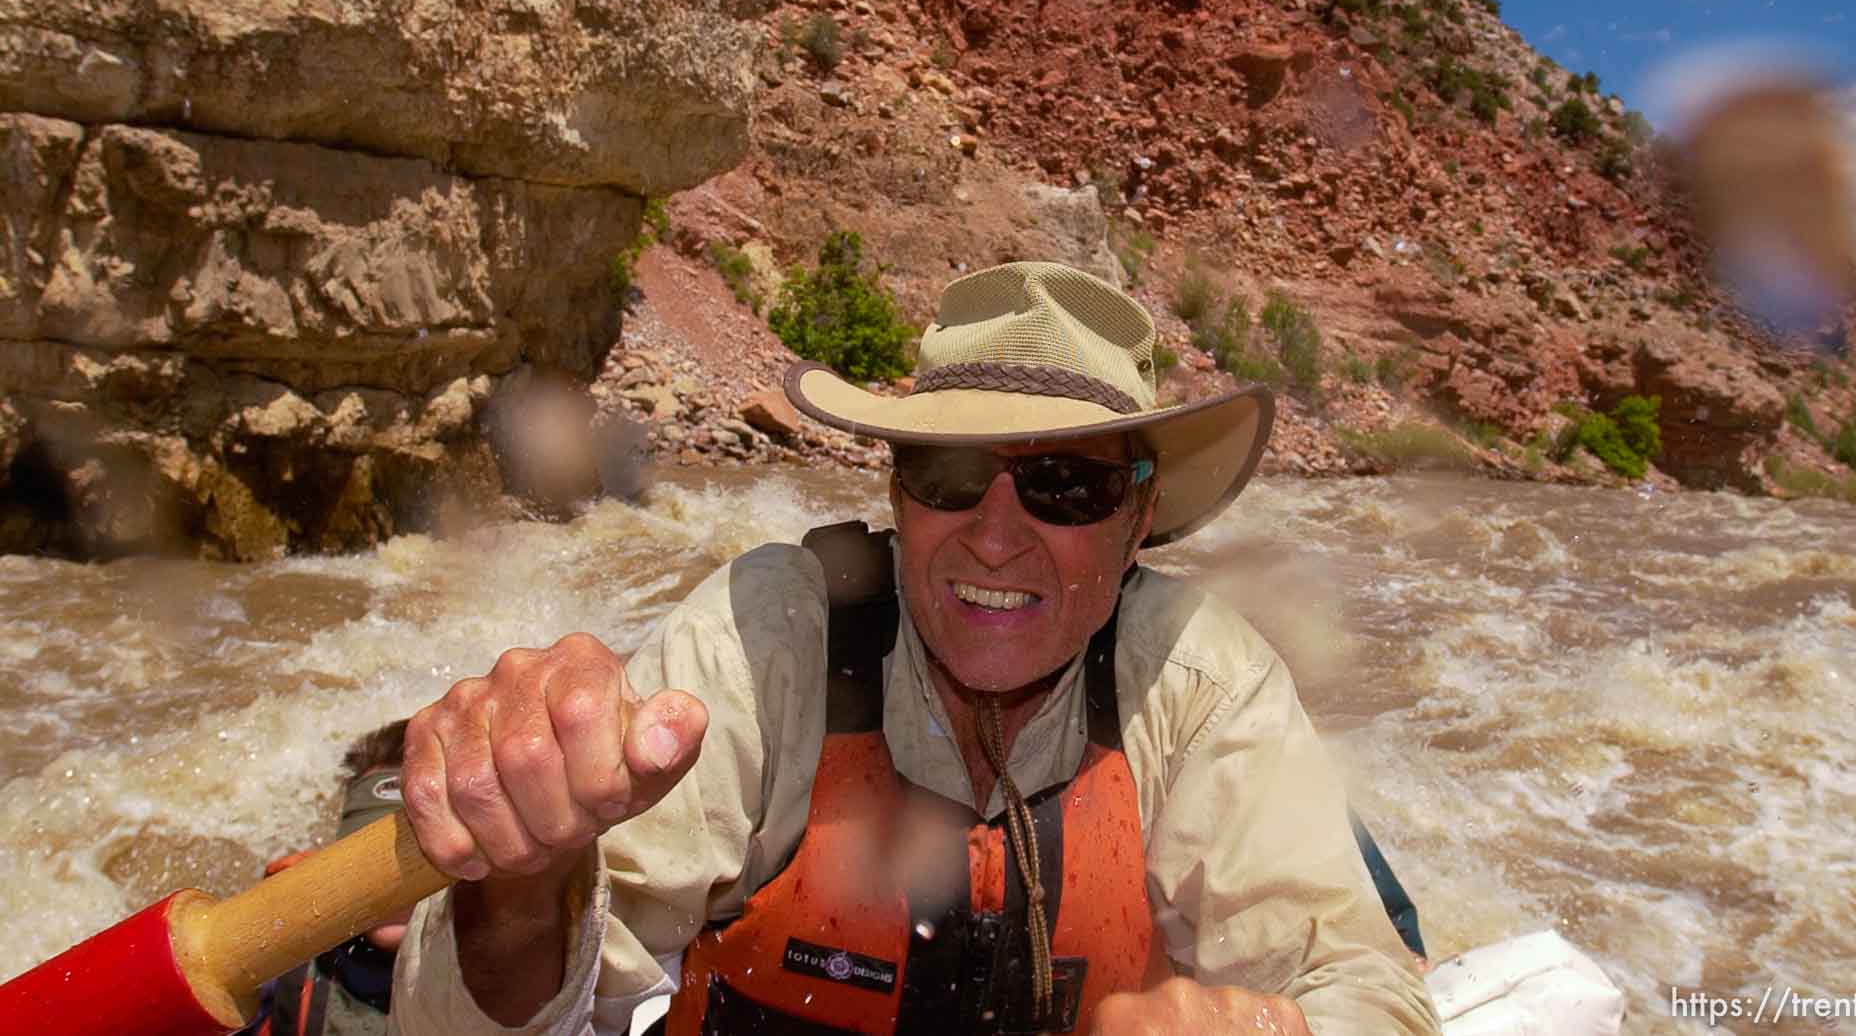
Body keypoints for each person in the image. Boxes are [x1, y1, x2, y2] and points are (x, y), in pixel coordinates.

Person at [389, 261, 1440, 1035]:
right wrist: (519, 892)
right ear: (896, 488)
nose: (992, 534)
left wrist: (1277, 1032)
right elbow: (496, 1009)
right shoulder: (771, 635)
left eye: (1062, 486)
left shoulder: (1199, 678)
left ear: (1136, 517)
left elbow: (1366, 985)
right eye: (947, 474)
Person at [239, 719, 410, 1036]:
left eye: (413, 855)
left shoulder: (512, 964)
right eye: (371, 858)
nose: (395, 879)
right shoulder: (290, 955)